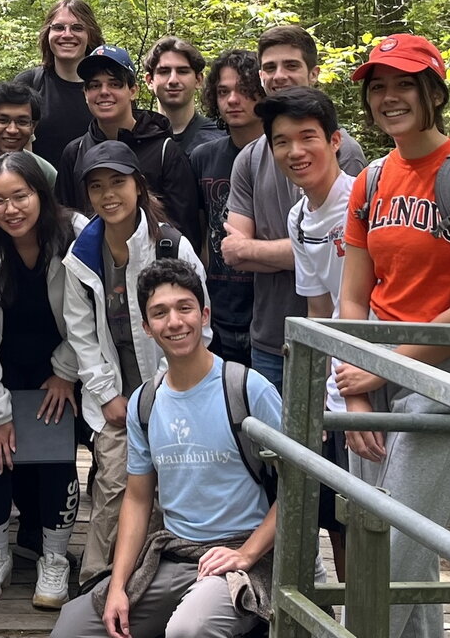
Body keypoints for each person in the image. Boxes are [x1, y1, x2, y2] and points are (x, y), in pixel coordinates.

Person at [332, 33, 450, 638]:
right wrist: (356, 394)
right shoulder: (372, 179)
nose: (389, 98)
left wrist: (379, 372)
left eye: (404, 84)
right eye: (377, 87)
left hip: (448, 380)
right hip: (374, 374)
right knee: (380, 548)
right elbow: (353, 297)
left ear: (433, 91)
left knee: (390, 562)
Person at [48, 259, 280, 638]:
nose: (174, 322)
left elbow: (299, 486)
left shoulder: (247, 388)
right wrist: (119, 586)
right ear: (146, 327)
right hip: (173, 552)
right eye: (160, 313)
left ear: (205, 314)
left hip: (242, 555)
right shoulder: (146, 402)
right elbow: (138, 500)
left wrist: (248, 554)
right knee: (73, 629)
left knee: (188, 630)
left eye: (184, 308)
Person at [61, 141, 212, 587]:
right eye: (97, 186)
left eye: (118, 183)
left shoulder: (169, 245)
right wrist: (107, 393)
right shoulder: (82, 255)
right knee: (112, 485)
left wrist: (171, 392)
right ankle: (96, 582)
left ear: (138, 185)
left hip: (175, 392)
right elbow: (80, 332)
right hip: (116, 399)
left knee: (172, 489)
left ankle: (163, 580)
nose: (109, 195)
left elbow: (199, 326)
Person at [0, 152, 85, 609]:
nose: (11, 209)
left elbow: (89, 315)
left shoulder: (75, 233)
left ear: (40, 194)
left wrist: (66, 373)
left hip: (60, 364)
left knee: (54, 456)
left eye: (20, 196)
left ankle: (53, 557)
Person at [222, 23, 367, 390]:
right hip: (270, 334)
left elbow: (349, 254)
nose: (279, 76)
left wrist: (256, 249)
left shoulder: (340, 151)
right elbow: (233, 254)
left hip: (344, 345)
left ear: (314, 73)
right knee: (275, 444)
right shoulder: (251, 158)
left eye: (291, 66)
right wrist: (273, 251)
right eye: (270, 68)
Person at [259, 85, 354, 576]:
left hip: (380, 381)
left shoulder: (364, 199)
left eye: (307, 137)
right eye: (281, 142)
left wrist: (362, 386)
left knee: (373, 516)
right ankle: (350, 617)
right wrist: (316, 393)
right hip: (337, 387)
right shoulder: (298, 217)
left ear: (335, 140)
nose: (295, 152)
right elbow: (320, 308)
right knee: (337, 514)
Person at [58, 44, 204, 249]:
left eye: (115, 84)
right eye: (94, 85)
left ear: (133, 90)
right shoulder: (75, 153)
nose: (104, 92)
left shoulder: (163, 150)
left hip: (157, 271)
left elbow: (185, 230)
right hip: (92, 270)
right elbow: (66, 225)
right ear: (85, 93)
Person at [190, 49, 263, 364]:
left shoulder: (285, 156)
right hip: (217, 314)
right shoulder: (202, 157)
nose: (233, 100)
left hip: (268, 314)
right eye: (223, 91)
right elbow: (200, 233)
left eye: (245, 91)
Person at [13, 0, 104, 169]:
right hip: (42, 191)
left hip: (95, 192)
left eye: (77, 28)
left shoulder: (108, 90)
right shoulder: (28, 84)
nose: (67, 35)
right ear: (48, 34)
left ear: (90, 35)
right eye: (59, 27)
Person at [143, 37, 218, 154]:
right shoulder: (137, 141)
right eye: (164, 72)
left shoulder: (219, 139)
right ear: (149, 81)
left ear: (198, 80)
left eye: (182, 71)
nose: (173, 80)